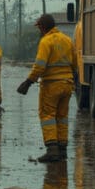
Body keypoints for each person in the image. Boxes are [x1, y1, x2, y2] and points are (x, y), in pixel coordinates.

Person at [17, 14, 76, 163]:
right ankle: (62, 150)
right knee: (62, 117)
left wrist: (28, 82)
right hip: (67, 84)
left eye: (39, 27)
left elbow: (40, 66)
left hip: (51, 85)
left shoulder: (46, 41)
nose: (39, 30)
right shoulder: (67, 40)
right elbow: (75, 63)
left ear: (42, 27)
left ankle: (52, 151)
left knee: (47, 116)